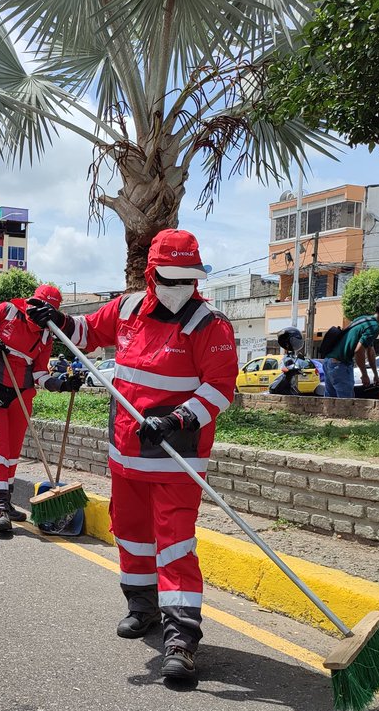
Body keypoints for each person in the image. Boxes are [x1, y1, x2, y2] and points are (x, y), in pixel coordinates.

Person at [27, 229, 237, 685]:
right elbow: (86, 333)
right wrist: (55, 318)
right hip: (126, 454)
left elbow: (221, 388)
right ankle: (141, 607)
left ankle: (181, 638)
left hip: (175, 457)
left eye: (188, 278)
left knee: (175, 543)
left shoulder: (209, 324)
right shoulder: (125, 309)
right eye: (170, 277)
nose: (180, 286)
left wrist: (179, 418)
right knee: (132, 534)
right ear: (151, 274)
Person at [0, 284, 85, 533]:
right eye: (40, 307)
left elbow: (41, 373)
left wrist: (63, 385)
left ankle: (6, 502)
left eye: (49, 311)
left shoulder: (45, 336)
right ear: (32, 302)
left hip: (21, 397)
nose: (41, 315)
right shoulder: (8, 311)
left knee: (11, 454)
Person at [320, 301, 379, 398]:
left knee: (330, 403)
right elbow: (359, 350)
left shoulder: (363, 319)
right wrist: (364, 375)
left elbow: (370, 351)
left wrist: (376, 376)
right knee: (346, 404)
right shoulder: (374, 327)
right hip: (340, 365)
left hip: (329, 362)